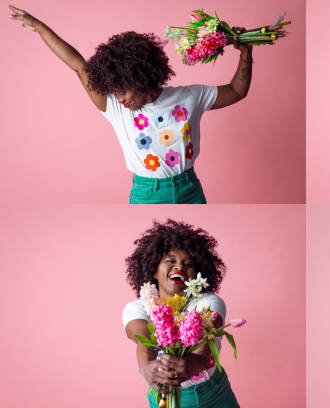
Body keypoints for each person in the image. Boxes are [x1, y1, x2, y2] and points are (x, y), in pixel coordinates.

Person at [9, 5, 253, 204]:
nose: (120, 98)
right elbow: (79, 65)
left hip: (190, 188)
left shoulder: (189, 97)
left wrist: (245, 53)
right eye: (115, 92)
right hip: (147, 193)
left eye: (122, 90)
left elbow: (235, 91)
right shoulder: (114, 107)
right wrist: (39, 27)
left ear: (141, 78)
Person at [122, 219, 240, 408]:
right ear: (153, 269)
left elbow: (205, 338)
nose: (179, 267)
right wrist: (146, 366)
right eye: (170, 261)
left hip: (213, 394)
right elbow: (142, 337)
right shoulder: (138, 307)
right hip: (163, 396)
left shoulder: (208, 301)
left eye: (188, 264)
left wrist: (196, 361)